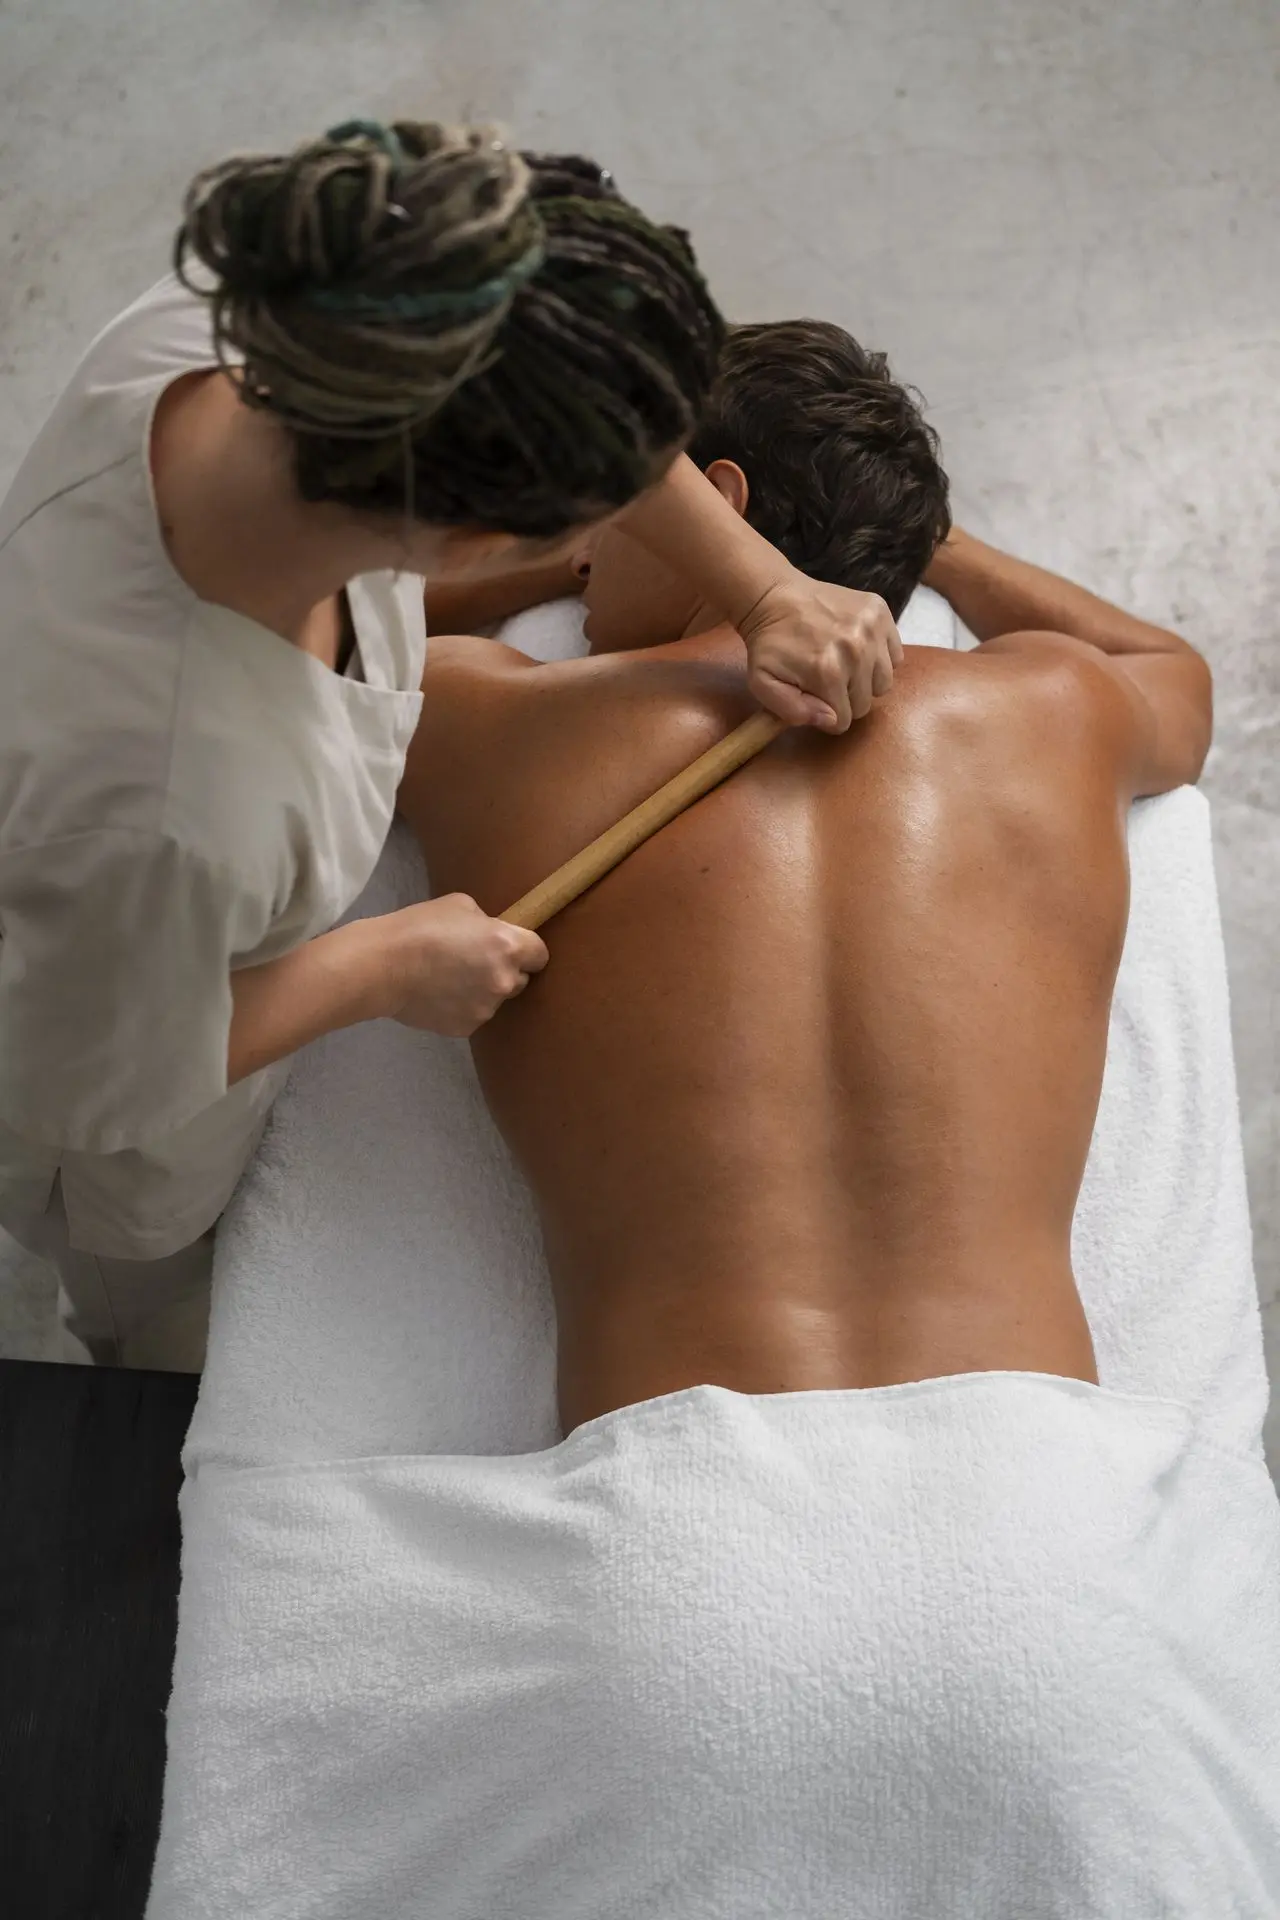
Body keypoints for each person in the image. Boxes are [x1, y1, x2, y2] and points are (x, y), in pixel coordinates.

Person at [0, 125, 901, 1372]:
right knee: (152, 1308)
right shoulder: (164, 811)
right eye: (595, 515)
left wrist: (763, 586)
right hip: (133, 1122)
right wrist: (380, 967)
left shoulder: (309, 313)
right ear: (477, 541)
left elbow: (559, 371)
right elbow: (71, 1074)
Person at [397, 315, 1212, 1434]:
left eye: (608, 511)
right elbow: (1172, 666)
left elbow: (316, 618)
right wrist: (917, 542)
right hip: (1035, 1469)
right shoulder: (1056, 707)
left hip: (677, 1474)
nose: (581, 555)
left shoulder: (484, 718)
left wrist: (654, 543)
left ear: (717, 505)